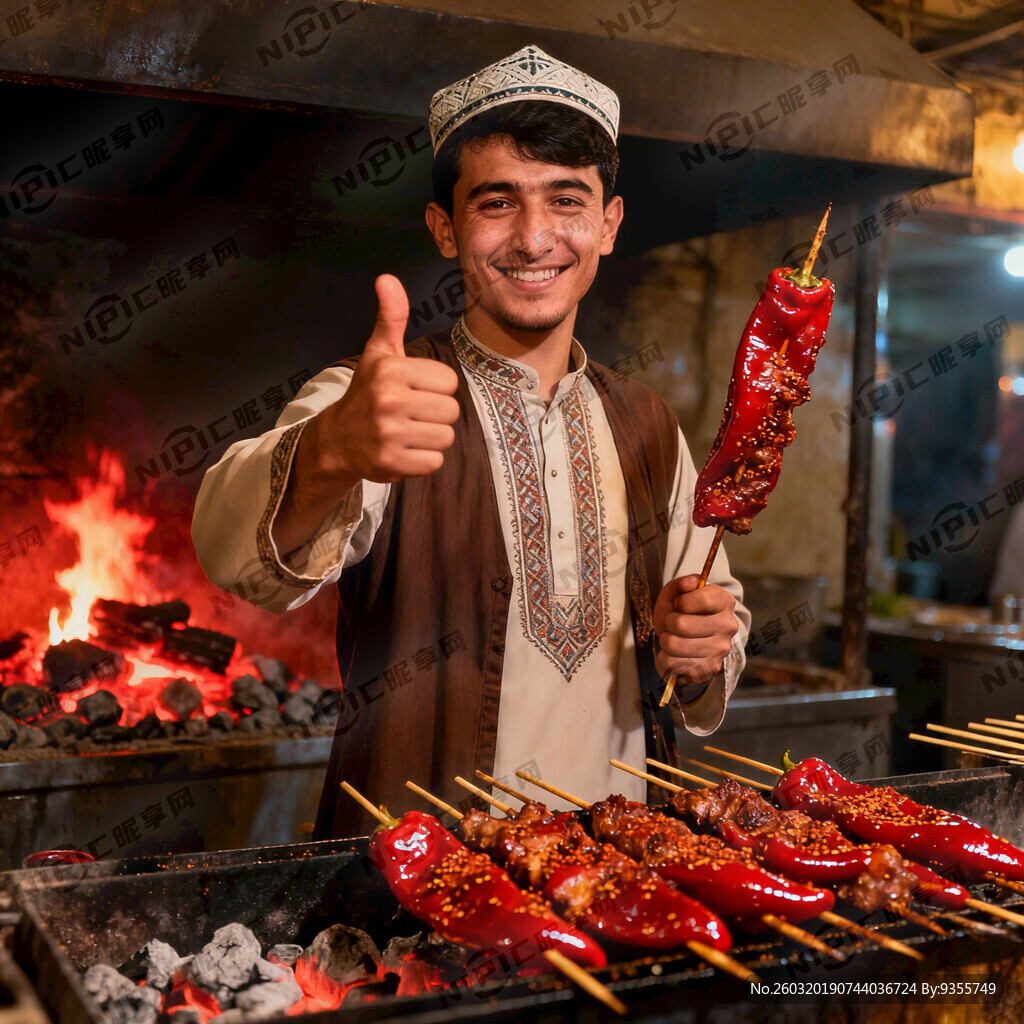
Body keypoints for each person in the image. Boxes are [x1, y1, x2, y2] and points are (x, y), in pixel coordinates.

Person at [192, 44, 750, 837]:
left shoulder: (650, 425)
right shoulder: (384, 397)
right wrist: (333, 450)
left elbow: (710, 641)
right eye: (496, 204)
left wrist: (700, 654)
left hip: (614, 884)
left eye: (566, 201)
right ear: (445, 230)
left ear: (609, 225)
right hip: (420, 899)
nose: (533, 238)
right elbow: (231, 555)